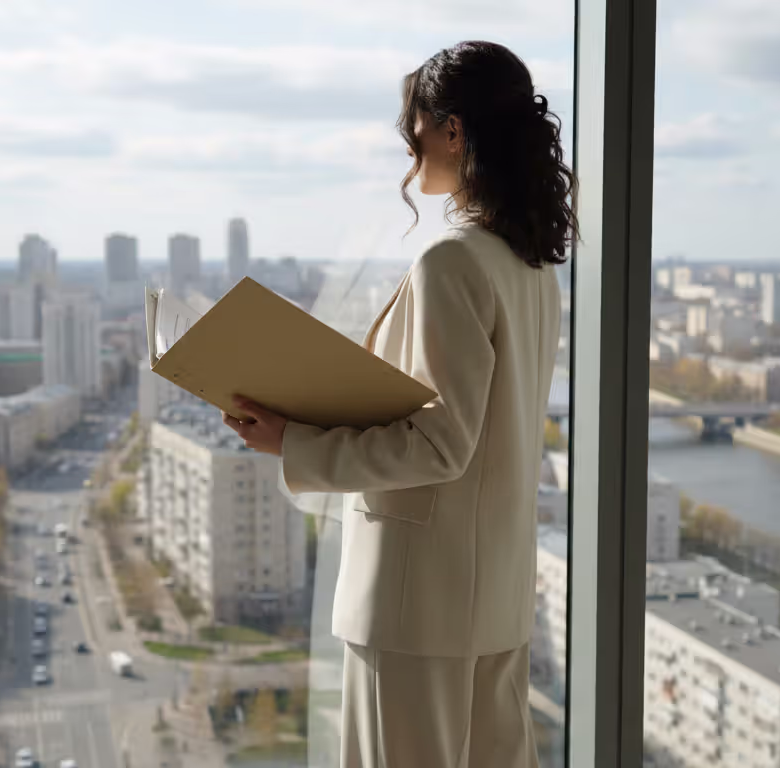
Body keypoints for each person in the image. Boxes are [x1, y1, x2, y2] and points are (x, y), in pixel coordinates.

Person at [223, 40, 575, 768]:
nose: (407, 150)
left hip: (416, 603)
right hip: (492, 595)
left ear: (452, 130)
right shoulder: (528, 267)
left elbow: (441, 444)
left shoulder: (451, 261)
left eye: (411, 126)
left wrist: (296, 441)